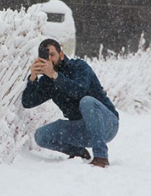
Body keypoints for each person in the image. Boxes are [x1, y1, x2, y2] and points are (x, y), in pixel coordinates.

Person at [21, 38, 119, 168]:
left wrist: (55, 75)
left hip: (107, 124)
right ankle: (79, 153)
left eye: (52, 55)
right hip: (81, 129)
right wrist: (32, 77)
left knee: (87, 101)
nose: (50, 59)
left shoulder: (79, 66)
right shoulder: (48, 80)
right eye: (45, 56)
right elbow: (28, 102)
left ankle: (101, 157)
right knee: (41, 136)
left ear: (61, 54)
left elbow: (79, 91)